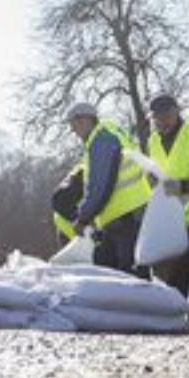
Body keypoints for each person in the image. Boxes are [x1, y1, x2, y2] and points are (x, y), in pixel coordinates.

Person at [66, 102, 152, 275]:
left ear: (85, 119)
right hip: (129, 213)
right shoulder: (109, 132)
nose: (74, 132)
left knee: (128, 277)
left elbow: (100, 184)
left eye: (74, 125)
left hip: (125, 216)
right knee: (120, 271)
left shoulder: (101, 140)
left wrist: (83, 217)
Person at [145, 93, 189, 296]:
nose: (161, 121)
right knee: (175, 275)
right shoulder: (152, 141)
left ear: (176, 112)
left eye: (166, 116)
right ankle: (176, 320)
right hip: (173, 220)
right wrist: (151, 180)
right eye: (156, 117)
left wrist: (176, 187)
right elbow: (153, 174)